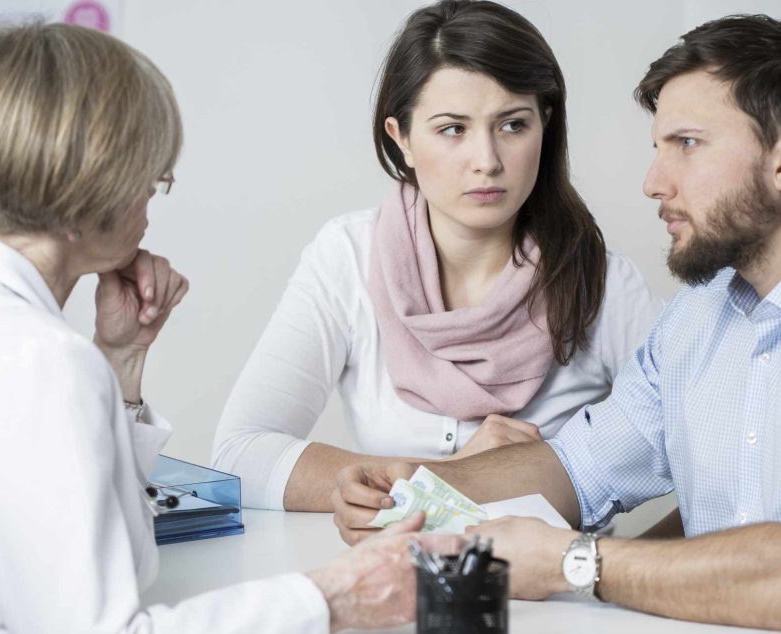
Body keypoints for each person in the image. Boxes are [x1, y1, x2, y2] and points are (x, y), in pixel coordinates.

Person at [0, 23, 457, 634]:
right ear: (83, 192)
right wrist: (337, 595)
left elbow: (67, 524)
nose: (153, 194)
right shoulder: (33, 362)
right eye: (150, 175)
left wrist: (119, 355)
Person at [332, 13, 781, 634]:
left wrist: (574, 561)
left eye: (686, 144)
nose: (653, 181)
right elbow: (577, 468)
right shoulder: (698, 316)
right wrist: (413, 483)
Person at [212, 0, 662, 511]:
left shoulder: (604, 285)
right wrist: (457, 476)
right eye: (453, 129)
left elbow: (699, 452)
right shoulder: (347, 257)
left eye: (513, 125)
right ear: (400, 138)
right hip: (387, 577)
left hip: (548, 584)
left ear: (546, 123)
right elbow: (239, 454)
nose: (487, 161)